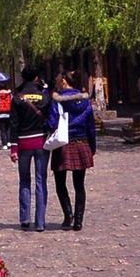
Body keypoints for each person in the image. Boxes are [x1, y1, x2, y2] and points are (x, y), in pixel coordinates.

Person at [44, 69, 97, 231]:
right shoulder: (85, 102)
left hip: (63, 144)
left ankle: (68, 217)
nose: (57, 83)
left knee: (60, 183)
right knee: (79, 185)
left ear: (64, 82)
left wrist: (44, 122)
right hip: (81, 143)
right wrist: (92, 148)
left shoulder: (57, 101)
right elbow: (91, 127)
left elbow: (52, 123)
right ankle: (79, 221)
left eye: (59, 80)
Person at [9, 69, 50, 231]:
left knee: (24, 180)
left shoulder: (17, 98)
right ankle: (40, 222)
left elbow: (13, 124)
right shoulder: (44, 96)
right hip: (41, 142)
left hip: (23, 143)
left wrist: (13, 148)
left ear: (23, 79)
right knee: (41, 181)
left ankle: (25, 219)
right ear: (36, 78)